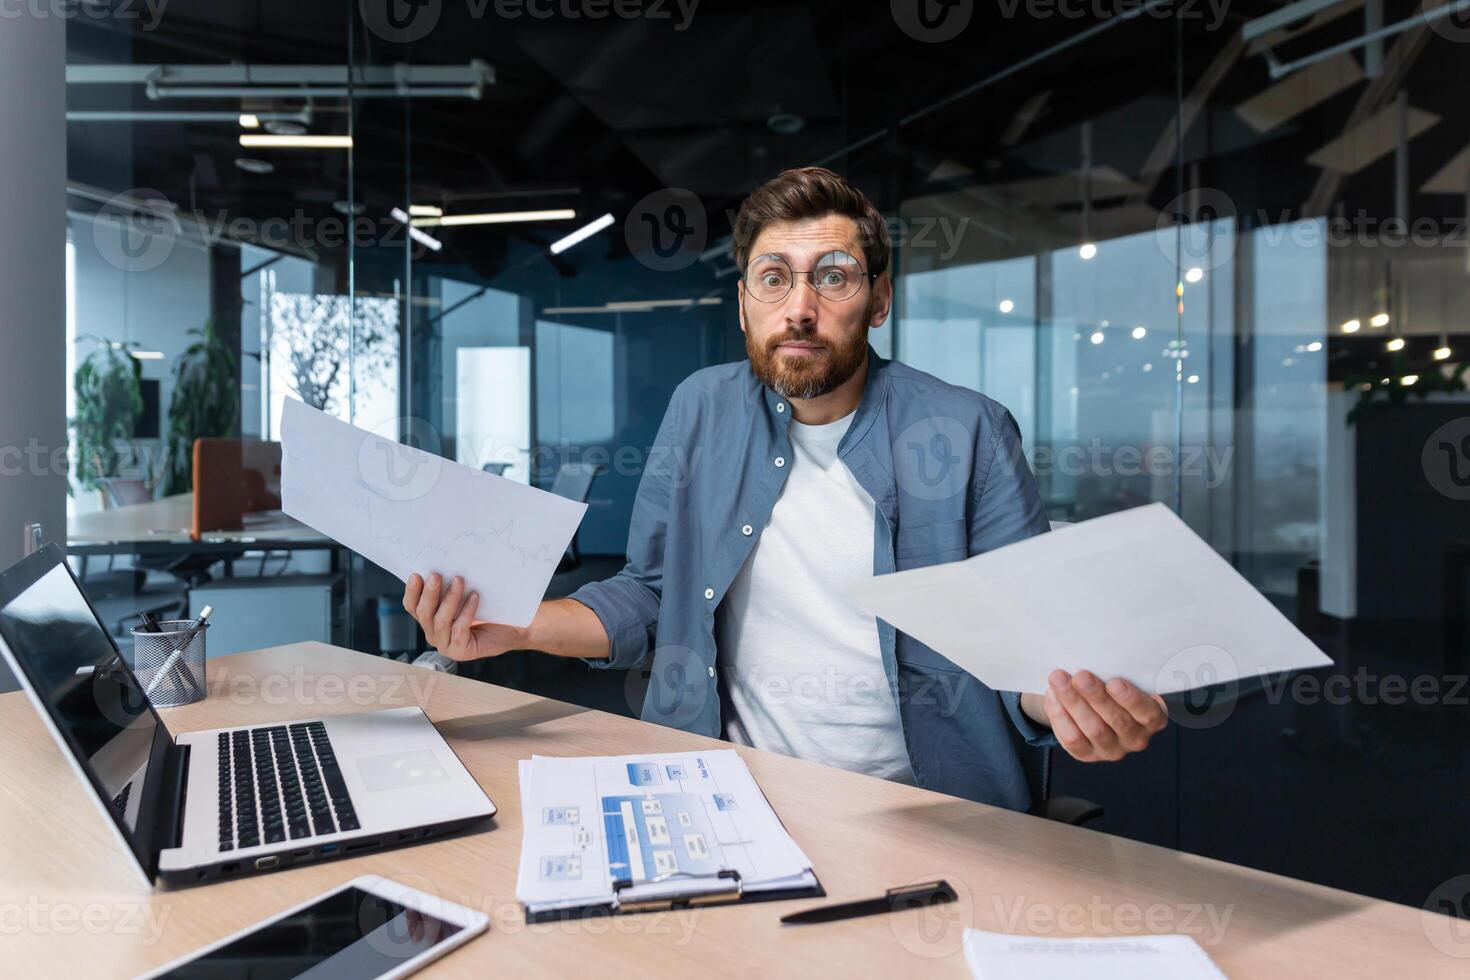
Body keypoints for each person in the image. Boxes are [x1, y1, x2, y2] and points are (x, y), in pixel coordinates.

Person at [403, 167, 1166, 810]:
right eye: (774, 278)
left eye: (832, 277)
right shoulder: (702, 407)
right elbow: (649, 593)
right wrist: (517, 625)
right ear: (744, 302)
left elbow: (1024, 646)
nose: (800, 305)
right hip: (724, 791)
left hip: (927, 810)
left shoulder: (968, 430)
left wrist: (1070, 704)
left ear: (879, 299)